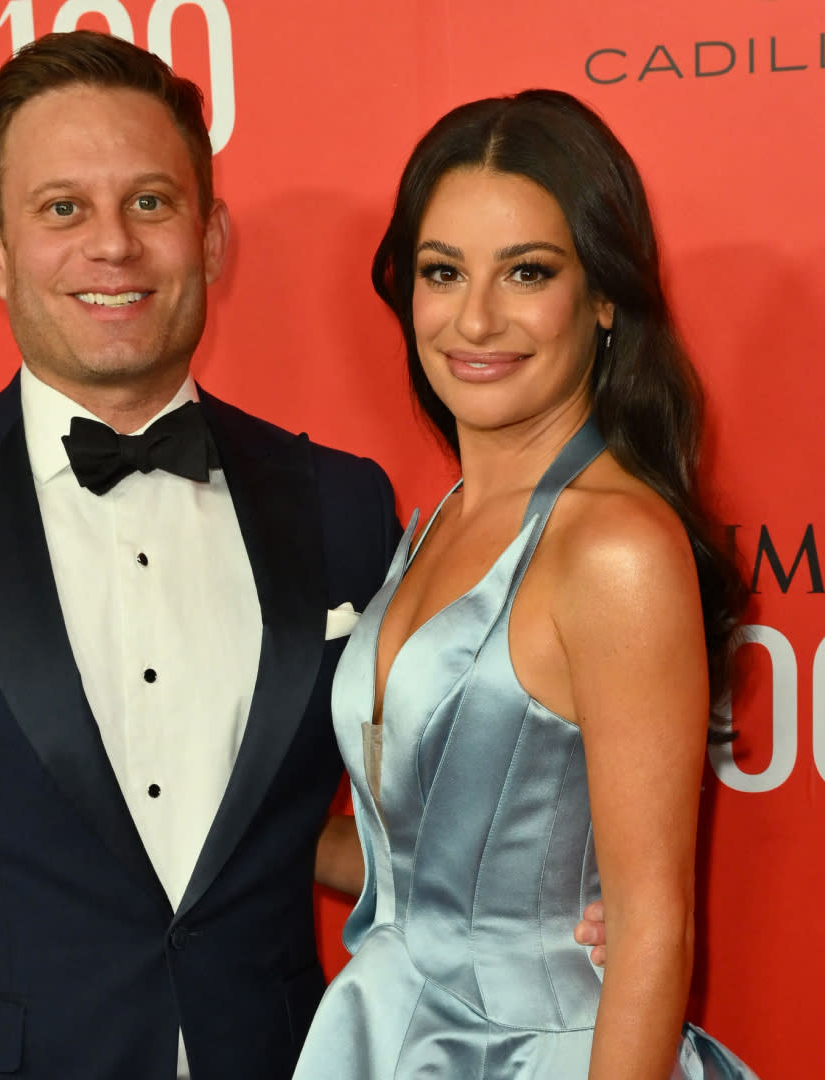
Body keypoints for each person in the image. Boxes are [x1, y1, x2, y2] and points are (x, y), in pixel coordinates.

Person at [0, 35, 605, 1080]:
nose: (113, 246)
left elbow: (419, 801)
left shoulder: (341, 503)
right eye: (62, 208)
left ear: (211, 238)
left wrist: (551, 905)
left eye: (150, 202)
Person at [293, 90, 756, 1078]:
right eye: (442, 272)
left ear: (603, 296)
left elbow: (648, 930)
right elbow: (412, 874)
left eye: (528, 272)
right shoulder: (436, 522)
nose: (475, 318)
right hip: (387, 1038)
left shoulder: (617, 548)